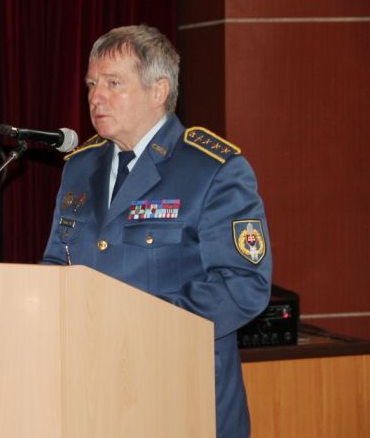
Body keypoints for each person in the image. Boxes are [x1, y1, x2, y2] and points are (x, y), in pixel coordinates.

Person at [41, 24, 272, 437]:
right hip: (92, 393)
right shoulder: (80, 167)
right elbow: (57, 265)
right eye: (92, 84)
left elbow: (243, 286)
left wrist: (134, 325)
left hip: (180, 393)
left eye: (113, 83)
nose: (96, 97)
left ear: (158, 91)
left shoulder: (212, 170)